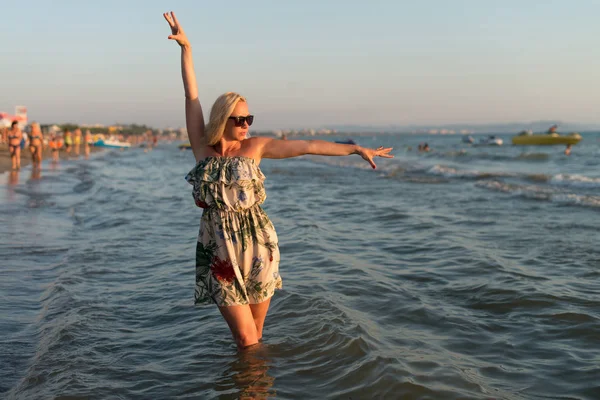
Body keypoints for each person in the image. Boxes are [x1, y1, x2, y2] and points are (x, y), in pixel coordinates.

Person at [163, 11, 393, 350]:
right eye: (239, 119)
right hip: (218, 249)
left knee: (255, 337)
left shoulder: (256, 147)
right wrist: (187, 49)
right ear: (222, 119)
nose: (246, 124)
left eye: (249, 118)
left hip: (258, 246)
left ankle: (255, 389)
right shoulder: (202, 149)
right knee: (245, 339)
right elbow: (191, 97)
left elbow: (307, 146)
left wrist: (355, 149)